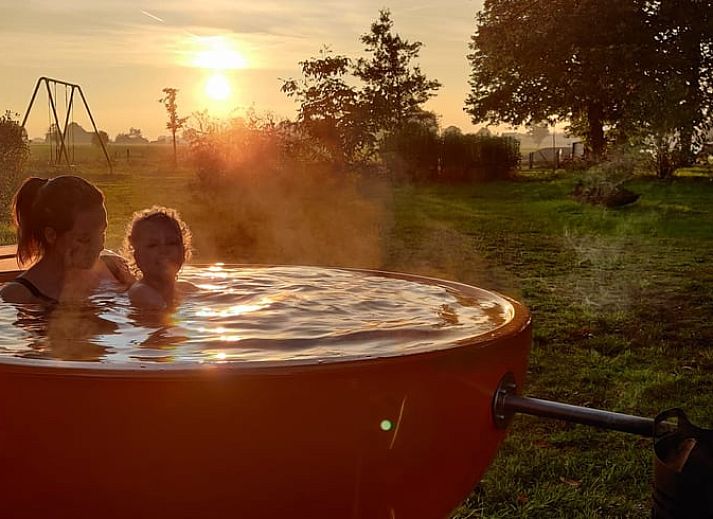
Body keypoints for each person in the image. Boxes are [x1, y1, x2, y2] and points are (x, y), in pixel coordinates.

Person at [0, 176, 134, 305]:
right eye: (84, 239)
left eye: (102, 233)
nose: (99, 246)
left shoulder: (115, 269)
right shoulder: (18, 296)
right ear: (51, 235)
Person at [122, 206, 193, 309]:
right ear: (137, 255)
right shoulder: (141, 292)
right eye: (152, 245)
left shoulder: (186, 289)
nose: (163, 250)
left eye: (171, 243)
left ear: (183, 250)